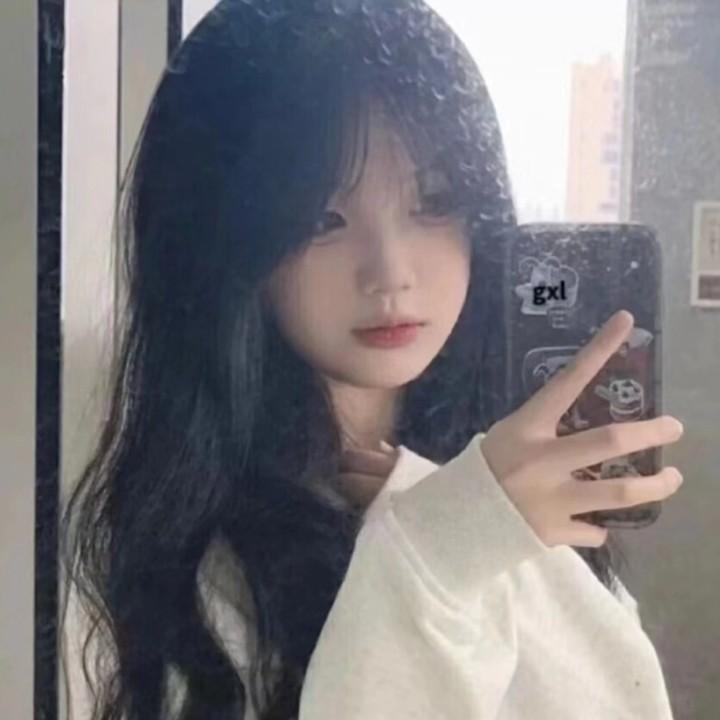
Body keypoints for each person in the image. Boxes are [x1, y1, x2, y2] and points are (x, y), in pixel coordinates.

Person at [59, 1, 685, 718]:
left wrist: (466, 516)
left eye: (435, 201)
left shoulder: (504, 477)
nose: (391, 273)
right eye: (322, 218)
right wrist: (442, 546)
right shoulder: (200, 557)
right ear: (231, 238)